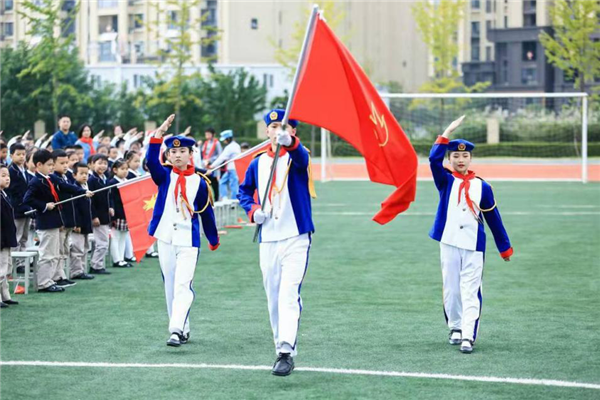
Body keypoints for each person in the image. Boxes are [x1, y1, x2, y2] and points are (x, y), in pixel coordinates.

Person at [237, 109, 316, 377]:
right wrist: (252, 210)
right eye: (272, 126)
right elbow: (244, 191)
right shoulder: (256, 162)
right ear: (267, 132)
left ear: (293, 131)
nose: (277, 130)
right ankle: (278, 345)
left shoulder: (298, 156)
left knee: (288, 293)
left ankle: (286, 350)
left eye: (284, 127)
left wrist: (291, 144)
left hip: (295, 236)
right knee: (272, 295)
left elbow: (302, 158)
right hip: (268, 237)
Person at [429, 115, 513, 354]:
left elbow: (494, 218)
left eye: (465, 156)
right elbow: (433, 159)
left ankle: (468, 335)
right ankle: (455, 327)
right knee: (452, 289)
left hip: (474, 245)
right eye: (456, 155)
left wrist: (504, 247)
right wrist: (447, 130)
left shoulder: (482, 186)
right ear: (450, 158)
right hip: (448, 242)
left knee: (470, 289)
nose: (461, 159)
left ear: (471, 158)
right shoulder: (444, 180)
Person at [146, 115, 220, 347]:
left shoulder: (200, 181)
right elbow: (151, 161)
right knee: (170, 284)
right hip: (166, 237)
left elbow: (205, 212)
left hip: (188, 239)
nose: (177, 155)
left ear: (191, 154)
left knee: (183, 284)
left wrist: (213, 238)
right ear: (168, 155)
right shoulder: (164, 176)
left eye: (183, 152)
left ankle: (175, 329)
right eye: (173, 152)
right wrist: (158, 136)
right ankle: (182, 328)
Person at [24, 149, 93, 291]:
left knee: (55, 254)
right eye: (49, 165)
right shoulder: (36, 181)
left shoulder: (50, 178)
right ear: (39, 165)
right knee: (47, 254)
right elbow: (27, 199)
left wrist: (83, 192)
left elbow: (66, 187)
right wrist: (44, 205)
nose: (51, 167)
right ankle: (43, 283)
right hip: (46, 223)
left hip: (55, 222)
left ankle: (50, 280)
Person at [6, 144, 32, 270]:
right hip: (17, 210)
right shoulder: (11, 171)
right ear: (11, 156)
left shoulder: (24, 170)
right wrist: (23, 205)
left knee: (24, 238)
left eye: (23, 154)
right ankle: (14, 264)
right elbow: (14, 193)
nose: (22, 157)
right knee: (17, 237)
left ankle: (21, 263)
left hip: (27, 210)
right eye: (18, 154)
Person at [87, 154, 112, 275]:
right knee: (102, 243)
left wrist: (110, 207)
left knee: (103, 242)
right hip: (98, 216)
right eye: (99, 163)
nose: (103, 166)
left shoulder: (105, 178)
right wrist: (94, 216)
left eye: (105, 163)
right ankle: (96, 265)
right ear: (92, 165)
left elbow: (108, 195)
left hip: (105, 214)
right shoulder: (91, 180)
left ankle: (98, 264)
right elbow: (90, 201)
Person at [70, 162, 95, 280]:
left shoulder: (86, 186)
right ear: (74, 175)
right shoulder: (75, 189)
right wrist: (76, 223)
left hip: (86, 223)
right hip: (78, 224)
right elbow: (74, 208)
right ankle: (75, 271)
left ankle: (82, 269)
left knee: (85, 248)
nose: (84, 176)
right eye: (81, 173)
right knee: (77, 248)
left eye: (87, 173)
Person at [0, 164, 19, 307]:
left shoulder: (4, 194)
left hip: (7, 238)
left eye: (8, 176)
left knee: (6, 268)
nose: (7, 178)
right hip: (1, 239)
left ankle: (5, 296)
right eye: (3, 176)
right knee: (0, 269)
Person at [107, 159, 132, 268]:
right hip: (117, 214)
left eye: (126, 169)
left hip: (126, 213)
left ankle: (121, 259)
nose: (125, 171)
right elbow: (111, 198)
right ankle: (116, 260)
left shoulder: (126, 181)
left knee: (123, 237)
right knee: (116, 237)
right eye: (122, 169)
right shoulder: (112, 182)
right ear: (115, 170)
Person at [210, 130, 240, 200]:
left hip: (233, 168)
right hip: (231, 168)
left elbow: (221, 158)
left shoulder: (230, 147)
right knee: (222, 182)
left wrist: (212, 166)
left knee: (233, 184)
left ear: (228, 139)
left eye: (225, 140)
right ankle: (225, 197)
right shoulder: (236, 145)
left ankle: (234, 200)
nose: (224, 141)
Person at [200, 127, 222, 201]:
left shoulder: (217, 143)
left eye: (209, 134)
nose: (207, 135)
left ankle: (217, 199)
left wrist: (210, 160)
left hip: (213, 167)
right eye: (206, 134)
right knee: (205, 184)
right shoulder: (205, 143)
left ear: (213, 134)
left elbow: (220, 155)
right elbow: (203, 154)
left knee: (215, 184)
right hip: (205, 167)